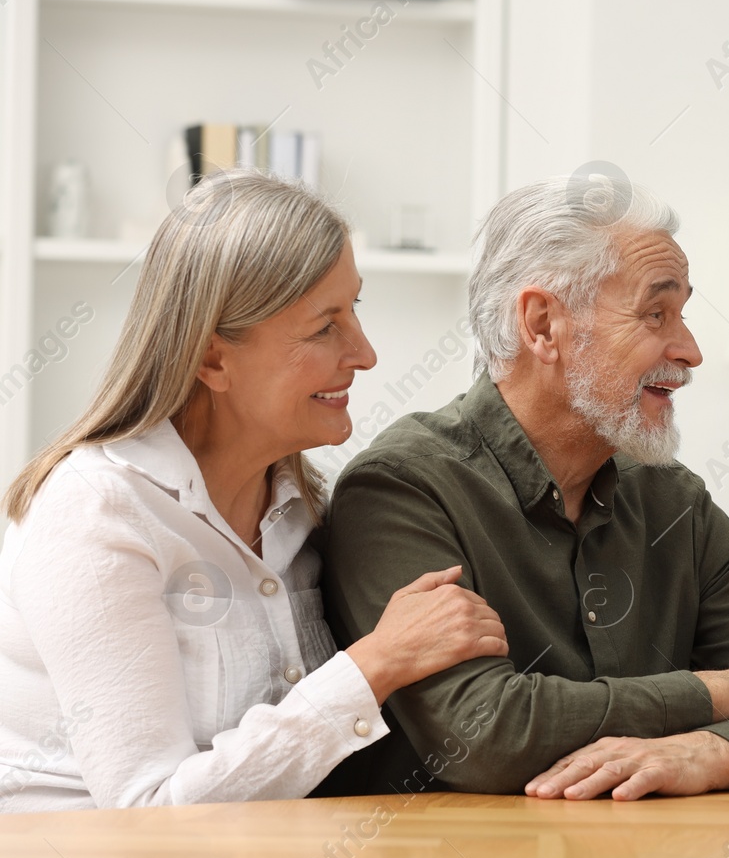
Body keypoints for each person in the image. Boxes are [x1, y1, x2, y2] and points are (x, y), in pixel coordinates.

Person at [318, 178, 729, 802]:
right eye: (655, 314)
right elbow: (482, 734)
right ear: (542, 324)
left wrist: (710, 752)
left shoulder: (673, 502)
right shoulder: (401, 491)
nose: (689, 352)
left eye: (682, 315)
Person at [0, 170, 508, 811]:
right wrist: (375, 663)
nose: (366, 353)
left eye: (357, 310)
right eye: (326, 326)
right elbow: (146, 813)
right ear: (212, 359)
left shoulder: (302, 509)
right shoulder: (98, 512)